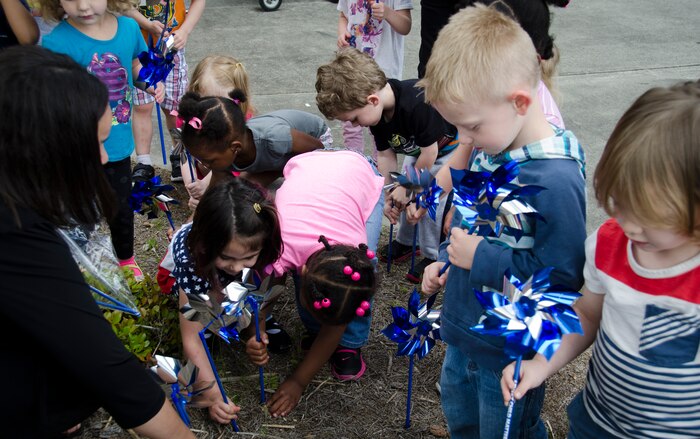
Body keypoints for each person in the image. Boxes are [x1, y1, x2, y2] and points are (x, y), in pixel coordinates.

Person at [0, 45, 195, 439]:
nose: (105, 158)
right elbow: (103, 363)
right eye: (96, 143)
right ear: (42, 149)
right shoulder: (14, 231)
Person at [417, 5, 586, 438]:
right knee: (463, 416)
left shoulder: (555, 179)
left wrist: (479, 258)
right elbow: (482, 228)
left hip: (510, 350)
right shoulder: (496, 145)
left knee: (504, 429)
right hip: (466, 329)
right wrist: (450, 265)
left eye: (471, 126)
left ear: (520, 102)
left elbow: (561, 281)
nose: (465, 140)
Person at [501, 81, 700, 438]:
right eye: (620, 204)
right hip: (598, 422)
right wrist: (541, 364)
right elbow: (587, 313)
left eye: (650, 215)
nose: (630, 225)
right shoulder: (610, 244)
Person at [407, 0, 568, 233]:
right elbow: (464, 163)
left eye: (471, 126)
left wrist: (477, 249)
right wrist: (434, 201)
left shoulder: (547, 159)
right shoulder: (490, 118)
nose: (464, 138)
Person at [246, 149, 384, 417]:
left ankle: (350, 344)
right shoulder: (280, 244)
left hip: (360, 175)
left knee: (347, 296)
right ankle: (314, 327)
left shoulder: (357, 255)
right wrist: (257, 327)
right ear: (303, 270)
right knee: (324, 302)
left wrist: (298, 381)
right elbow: (265, 293)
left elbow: (339, 316)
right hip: (308, 168)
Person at [40, 0, 164, 280]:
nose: (83, 6)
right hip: (78, 151)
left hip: (118, 144)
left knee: (120, 207)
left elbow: (135, 64)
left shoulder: (129, 29)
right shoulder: (56, 42)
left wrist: (152, 80)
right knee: (79, 210)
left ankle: (125, 258)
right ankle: (77, 262)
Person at [316, 47, 459, 282]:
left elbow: (431, 153)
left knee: (432, 200)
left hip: (445, 151)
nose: (356, 124)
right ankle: (406, 241)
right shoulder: (376, 113)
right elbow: (385, 155)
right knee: (402, 192)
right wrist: (390, 190)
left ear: (372, 99)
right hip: (419, 152)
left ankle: (432, 253)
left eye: (354, 118)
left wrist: (410, 186)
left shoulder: (415, 102)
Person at [170, 177, 282, 424]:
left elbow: (253, 284)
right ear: (205, 243)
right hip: (201, 277)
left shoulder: (259, 249)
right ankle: (220, 326)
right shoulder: (192, 261)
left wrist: (256, 330)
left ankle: (240, 322)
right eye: (227, 257)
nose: (236, 266)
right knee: (204, 328)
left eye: (249, 256)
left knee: (247, 297)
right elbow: (191, 336)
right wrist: (213, 394)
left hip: (227, 283)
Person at [177, 90, 332, 188]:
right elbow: (214, 193)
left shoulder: (274, 138)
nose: (204, 165)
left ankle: (282, 169)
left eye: (209, 161)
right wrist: (189, 226)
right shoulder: (222, 149)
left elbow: (319, 151)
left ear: (235, 148)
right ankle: (279, 168)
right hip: (278, 157)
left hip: (315, 139)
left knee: (290, 191)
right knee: (242, 190)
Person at [125, 0, 205, 183]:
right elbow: (123, 5)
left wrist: (185, 30)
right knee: (142, 106)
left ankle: (178, 155)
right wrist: (146, 24)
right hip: (141, 50)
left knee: (174, 108)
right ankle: (143, 162)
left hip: (172, 49)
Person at [181, 55, 257, 210]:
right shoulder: (191, 119)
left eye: (224, 102)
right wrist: (192, 184)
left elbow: (231, 164)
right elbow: (184, 153)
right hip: (204, 171)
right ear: (195, 91)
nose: (218, 106)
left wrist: (206, 186)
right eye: (210, 99)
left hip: (232, 175)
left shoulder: (241, 124)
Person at [336, 0, 412, 156]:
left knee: (379, 124)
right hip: (352, 68)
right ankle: (354, 163)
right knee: (350, 121)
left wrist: (388, 13)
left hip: (382, 72)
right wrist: (342, 32)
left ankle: (380, 170)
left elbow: (406, 26)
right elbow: (344, 16)